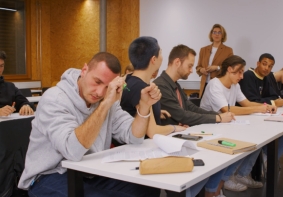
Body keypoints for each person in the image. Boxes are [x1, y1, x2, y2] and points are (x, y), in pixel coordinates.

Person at [18, 52, 161, 197]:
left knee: (147, 188)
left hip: (89, 173)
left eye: (107, 87)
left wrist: (144, 105)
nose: (99, 92)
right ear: (84, 70)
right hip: (49, 175)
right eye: (97, 82)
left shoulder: (107, 100)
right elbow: (72, 151)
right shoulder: (54, 99)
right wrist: (105, 105)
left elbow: (134, 137)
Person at [154, 44, 234, 197]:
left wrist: (216, 116)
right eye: (190, 65)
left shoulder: (174, 85)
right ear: (177, 62)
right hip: (169, 144)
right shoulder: (161, 86)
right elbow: (182, 115)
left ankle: (209, 192)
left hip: (180, 138)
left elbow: (190, 107)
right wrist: (217, 118)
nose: (192, 70)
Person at [201, 55, 276, 193]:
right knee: (241, 142)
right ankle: (223, 182)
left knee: (256, 139)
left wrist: (264, 106)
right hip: (208, 128)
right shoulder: (214, 84)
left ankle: (235, 176)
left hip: (225, 125)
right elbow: (227, 109)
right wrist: (258, 108)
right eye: (240, 72)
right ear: (230, 69)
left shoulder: (234, 85)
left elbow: (246, 103)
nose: (242, 76)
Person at [121, 36, 186, 137]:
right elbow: (152, 132)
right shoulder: (141, 88)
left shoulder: (129, 79)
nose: (162, 57)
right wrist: (174, 128)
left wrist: (155, 111)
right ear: (153, 60)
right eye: (160, 53)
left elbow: (133, 110)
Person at [239, 53, 283, 160]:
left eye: (270, 66)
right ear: (258, 63)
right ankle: (264, 160)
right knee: (280, 133)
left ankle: (268, 158)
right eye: (264, 64)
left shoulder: (266, 77)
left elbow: (274, 96)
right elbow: (252, 100)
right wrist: (272, 102)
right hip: (247, 115)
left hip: (261, 114)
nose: (267, 68)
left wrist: (272, 102)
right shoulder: (248, 76)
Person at [195, 24, 233, 98]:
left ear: (223, 35)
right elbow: (198, 67)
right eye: (214, 32)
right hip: (205, 84)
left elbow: (231, 68)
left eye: (219, 32)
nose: (217, 34)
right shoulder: (203, 50)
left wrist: (217, 67)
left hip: (219, 84)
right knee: (204, 108)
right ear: (211, 34)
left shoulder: (228, 50)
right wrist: (201, 70)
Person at [0, 51, 34, 116]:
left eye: (1, 66)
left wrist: (25, 106)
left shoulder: (10, 87)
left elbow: (23, 101)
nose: (0, 69)